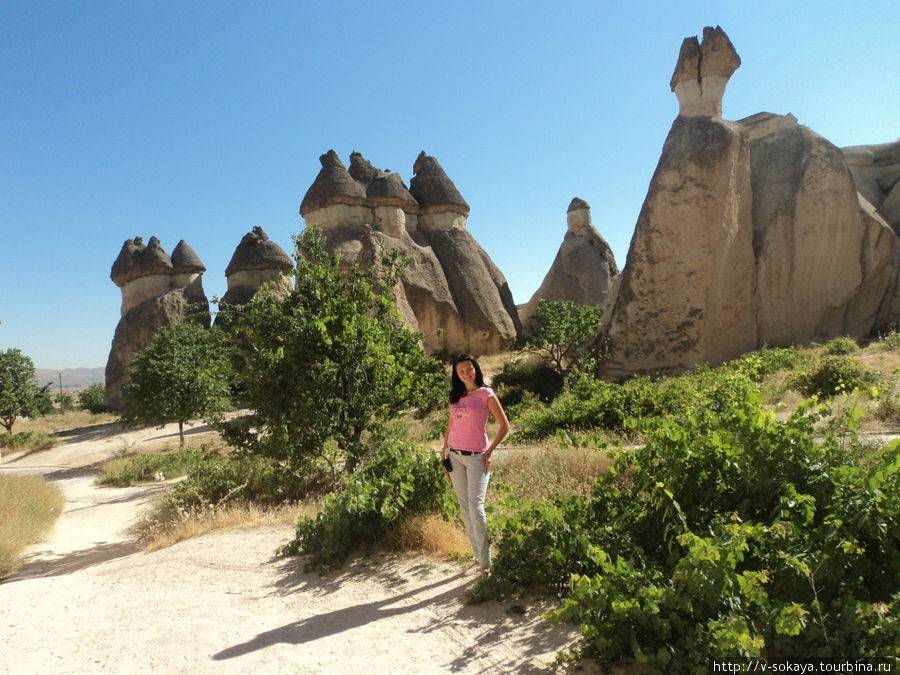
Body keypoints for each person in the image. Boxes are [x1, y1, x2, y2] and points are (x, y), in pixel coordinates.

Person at [441, 353, 509, 573]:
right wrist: (444, 456)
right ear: (456, 375)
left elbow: (504, 426)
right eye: (461, 371)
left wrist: (489, 453)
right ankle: (478, 556)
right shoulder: (454, 396)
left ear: (476, 369)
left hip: (476, 457)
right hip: (454, 455)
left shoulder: (486, 394)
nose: (466, 374)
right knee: (465, 507)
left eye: (469, 369)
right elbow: (450, 427)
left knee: (476, 507)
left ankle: (487, 561)